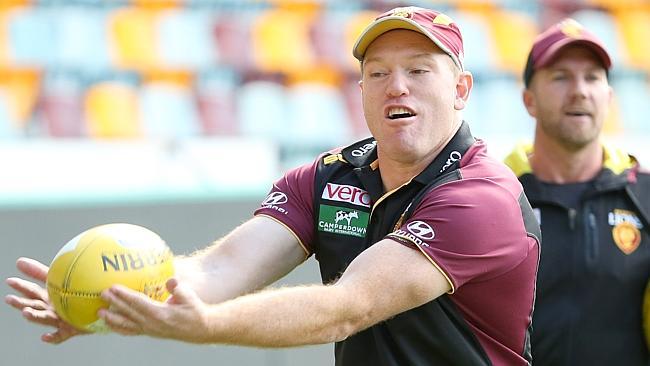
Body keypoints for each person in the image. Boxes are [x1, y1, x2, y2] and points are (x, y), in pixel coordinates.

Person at [6, 6, 540, 366]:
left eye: (419, 70)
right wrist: (113, 299)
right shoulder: (328, 177)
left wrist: (204, 326)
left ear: (461, 90)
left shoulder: (481, 197)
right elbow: (222, 267)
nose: (396, 86)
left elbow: (346, 308)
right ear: (360, 90)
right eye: (377, 73)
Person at [504, 18, 650, 366]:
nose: (580, 90)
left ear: (609, 97)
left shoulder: (645, 195)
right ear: (529, 100)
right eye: (560, 77)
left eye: (592, 77)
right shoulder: (494, 198)